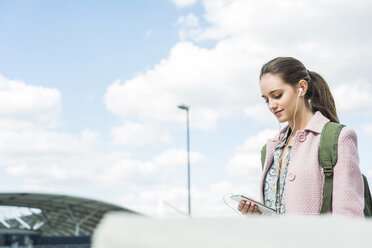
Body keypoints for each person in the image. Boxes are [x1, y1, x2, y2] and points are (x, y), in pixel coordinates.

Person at [238, 57, 364, 217]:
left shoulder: (338, 138)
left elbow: (349, 218)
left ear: (302, 88)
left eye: (277, 95)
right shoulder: (271, 149)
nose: (271, 105)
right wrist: (257, 215)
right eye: (266, 100)